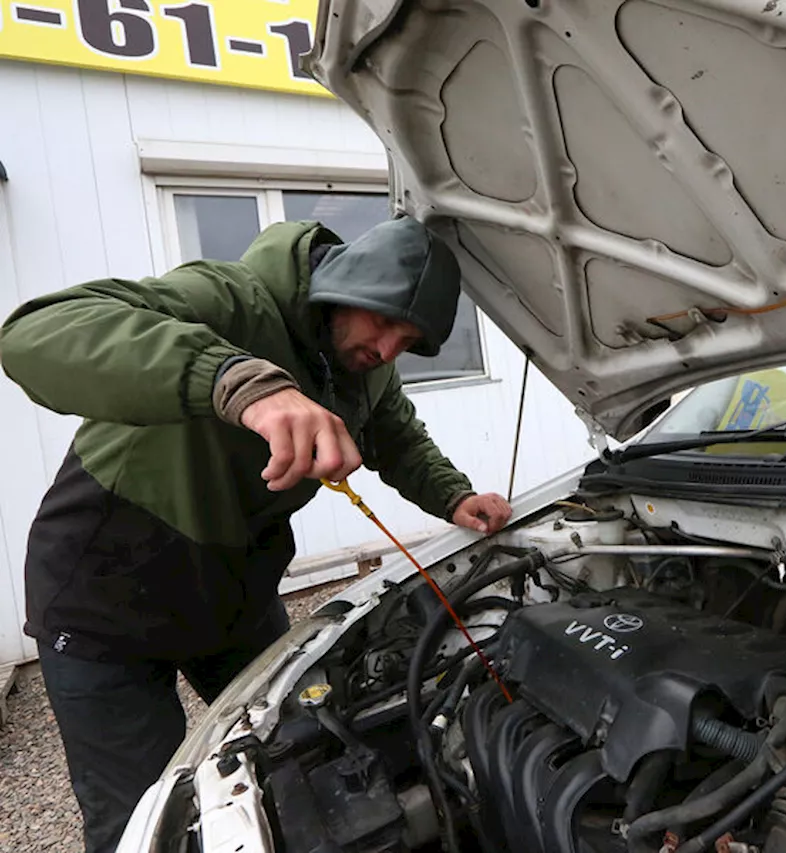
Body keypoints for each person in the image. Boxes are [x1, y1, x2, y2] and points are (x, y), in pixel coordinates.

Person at [0, 214, 513, 853]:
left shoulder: (364, 366)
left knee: (305, 751)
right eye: (382, 322)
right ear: (344, 284)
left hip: (234, 596)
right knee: (144, 822)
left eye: (405, 342)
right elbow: (38, 332)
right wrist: (238, 382)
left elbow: (397, 434)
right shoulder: (230, 299)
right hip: (105, 598)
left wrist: (455, 495)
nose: (385, 350)